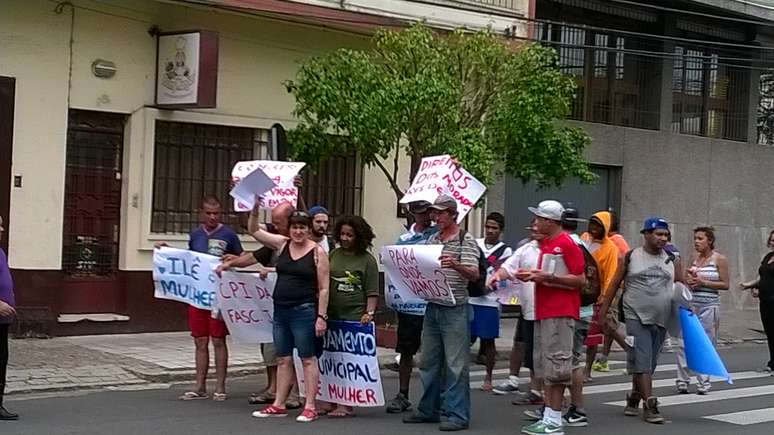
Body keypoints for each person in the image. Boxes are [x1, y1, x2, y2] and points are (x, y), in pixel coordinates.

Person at [403, 195, 479, 432]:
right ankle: (430, 409)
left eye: (440, 213)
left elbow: (474, 274)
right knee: (429, 361)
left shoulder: (466, 240)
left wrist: (455, 264)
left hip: (455, 308)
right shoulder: (432, 239)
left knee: (456, 364)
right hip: (433, 305)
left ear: (453, 214)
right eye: (434, 213)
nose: (435, 217)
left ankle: (457, 414)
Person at [246, 211, 330, 423]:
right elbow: (254, 230)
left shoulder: (317, 252)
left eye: (302, 227)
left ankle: (310, 405)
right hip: (280, 310)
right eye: (294, 227)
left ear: (308, 230)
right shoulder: (282, 245)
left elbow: (324, 288)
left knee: (307, 359)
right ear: (289, 229)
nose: (298, 231)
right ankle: (278, 404)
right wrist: (255, 209)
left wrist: (321, 317)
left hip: (304, 310)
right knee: (283, 358)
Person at [159, 196, 242, 402]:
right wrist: (167, 251)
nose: (212, 217)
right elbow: (188, 260)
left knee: (218, 340)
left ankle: (220, 387)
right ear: (201, 213)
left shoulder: (229, 235)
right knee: (200, 340)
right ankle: (200, 386)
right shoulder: (195, 234)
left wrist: (233, 260)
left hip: (217, 297)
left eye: (216, 213)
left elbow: (242, 258)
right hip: (197, 296)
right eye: (208, 213)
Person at [599, 217, 682, 424]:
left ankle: (635, 397)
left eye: (665, 235)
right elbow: (614, 284)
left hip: (662, 318)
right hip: (635, 315)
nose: (663, 238)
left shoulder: (673, 259)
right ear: (646, 234)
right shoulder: (631, 257)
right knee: (643, 359)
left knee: (649, 363)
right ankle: (650, 406)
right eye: (658, 234)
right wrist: (603, 310)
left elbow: (680, 287)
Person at [220, 202, 302, 409]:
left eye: (279, 222)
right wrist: (231, 263)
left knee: (292, 351)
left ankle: (295, 392)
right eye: (273, 222)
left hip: (297, 305)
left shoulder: (301, 245)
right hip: (273, 307)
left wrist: (272, 271)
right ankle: (274, 388)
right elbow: (253, 256)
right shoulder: (276, 243)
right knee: (270, 347)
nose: (275, 226)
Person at [519, 201, 585, 435]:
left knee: (557, 367)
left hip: (561, 312)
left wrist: (549, 277)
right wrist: (535, 276)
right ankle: (549, 415)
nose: (534, 223)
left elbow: (580, 279)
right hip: (545, 311)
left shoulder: (566, 244)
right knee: (547, 367)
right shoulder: (547, 244)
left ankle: (555, 420)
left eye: (538, 218)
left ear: (550, 221)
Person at [321, 215, 379, 417]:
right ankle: (331, 399)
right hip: (332, 315)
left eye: (350, 235)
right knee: (331, 360)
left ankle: (345, 404)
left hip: (354, 317)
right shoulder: (333, 255)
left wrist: (369, 313)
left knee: (348, 362)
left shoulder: (367, 260)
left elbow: (372, 291)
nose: (345, 238)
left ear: (359, 236)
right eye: (343, 234)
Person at [386, 200, 438, 414]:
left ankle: (433, 397)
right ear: (413, 215)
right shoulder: (404, 239)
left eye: (428, 213)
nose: (425, 217)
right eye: (420, 213)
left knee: (433, 353)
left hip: (432, 302)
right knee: (406, 350)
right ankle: (403, 394)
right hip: (410, 304)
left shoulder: (437, 235)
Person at [489, 221, 545, 407]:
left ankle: (559, 404)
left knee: (550, 357)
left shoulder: (563, 247)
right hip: (529, 310)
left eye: (540, 224)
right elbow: (508, 267)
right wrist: (498, 275)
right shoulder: (526, 248)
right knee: (532, 353)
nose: (535, 229)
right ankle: (537, 392)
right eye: (533, 225)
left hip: (552, 312)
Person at [675, 227, 729, 394]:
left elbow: (725, 284)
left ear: (710, 241)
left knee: (705, 343)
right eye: (695, 239)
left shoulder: (719, 259)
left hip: (709, 305)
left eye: (700, 239)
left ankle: (703, 382)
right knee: (683, 343)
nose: (696, 242)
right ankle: (682, 380)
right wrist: (689, 279)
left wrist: (703, 282)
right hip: (691, 304)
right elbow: (687, 278)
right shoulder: (694, 258)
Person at [470, 212, 512, 391]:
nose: (490, 231)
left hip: (490, 301)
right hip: (471, 297)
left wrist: (490, 287)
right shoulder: (475, 244)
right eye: (487, 227)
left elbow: (505, 277)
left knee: (488, 341)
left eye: (494, 228)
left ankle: (488, 377)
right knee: (464, 338)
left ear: (501, 230)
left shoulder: (505, 250)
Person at [582, 211, 624, 383]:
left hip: (596, 296)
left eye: (598, 225)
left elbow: (611, 275)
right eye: (592, 224)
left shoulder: (610, 249)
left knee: (593, 335)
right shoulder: (583, 239)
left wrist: (605, 298)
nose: (593, 228)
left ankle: (587, 369)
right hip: (578, 293)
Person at [741, 229, 774, 373]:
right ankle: (772, 363)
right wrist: (752, 285)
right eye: (772, 239)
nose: (773, 242)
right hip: (765, 300)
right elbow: (762, 277)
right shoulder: (768, 257)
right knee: (770, 332)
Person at [0, 216, 18, 420]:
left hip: (3, 321)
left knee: (1, 361)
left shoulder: (1, 253)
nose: (2, 229)